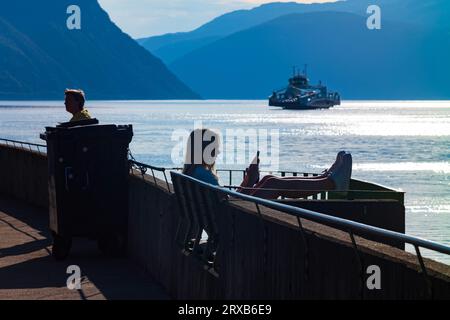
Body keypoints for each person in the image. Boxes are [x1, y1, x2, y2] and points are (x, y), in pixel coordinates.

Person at [182, 129, 352, 200]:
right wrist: (248, 182)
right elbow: (230, 202)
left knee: (268, 178)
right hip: (231, 223)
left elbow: (228, 200)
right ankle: (330, 183)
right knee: (272, 183)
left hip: (225, 219)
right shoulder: (203, 174)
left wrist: (249, 180)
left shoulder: (194, 173)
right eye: (215, 149)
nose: (217, 152)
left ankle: (324, 178)